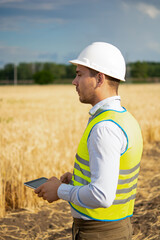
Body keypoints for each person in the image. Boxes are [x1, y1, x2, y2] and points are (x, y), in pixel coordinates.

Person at [35, 42, 143, 240]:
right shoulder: (124, 118)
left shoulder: (104, 127)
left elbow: (102, 196)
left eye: (79, 74)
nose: (74, 82)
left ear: (99, 79)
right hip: (117, 227)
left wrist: (60, 190)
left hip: (99, 233)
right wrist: (77, 181)